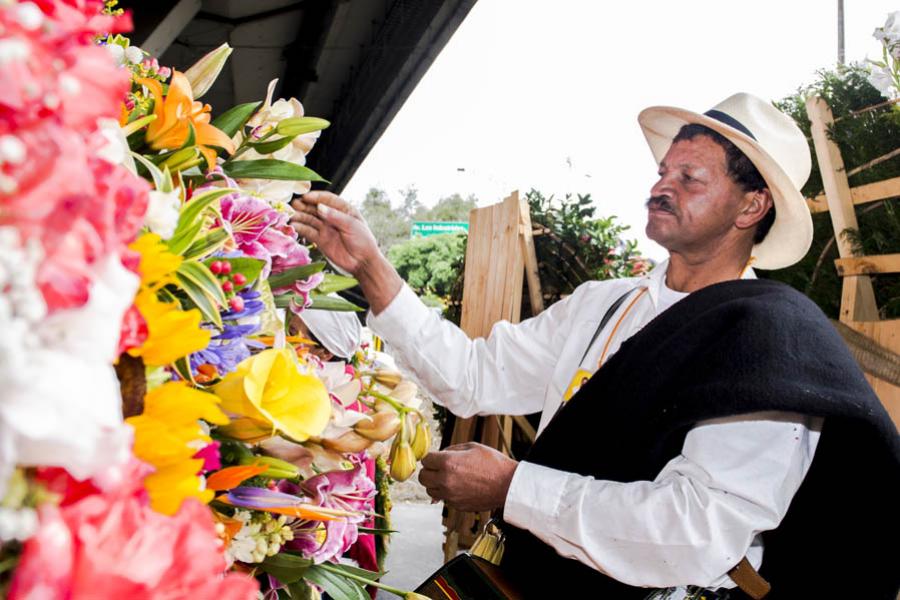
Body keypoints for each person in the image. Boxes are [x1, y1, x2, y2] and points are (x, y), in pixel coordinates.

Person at [290, 93, 899, 598]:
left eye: (689, 178)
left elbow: (695, 532)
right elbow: (472, 376)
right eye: (663, 171)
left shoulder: (764, 343)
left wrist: (511, 488)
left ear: (751, 206)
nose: (662, 187)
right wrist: (371, 268)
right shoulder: (605, 304)